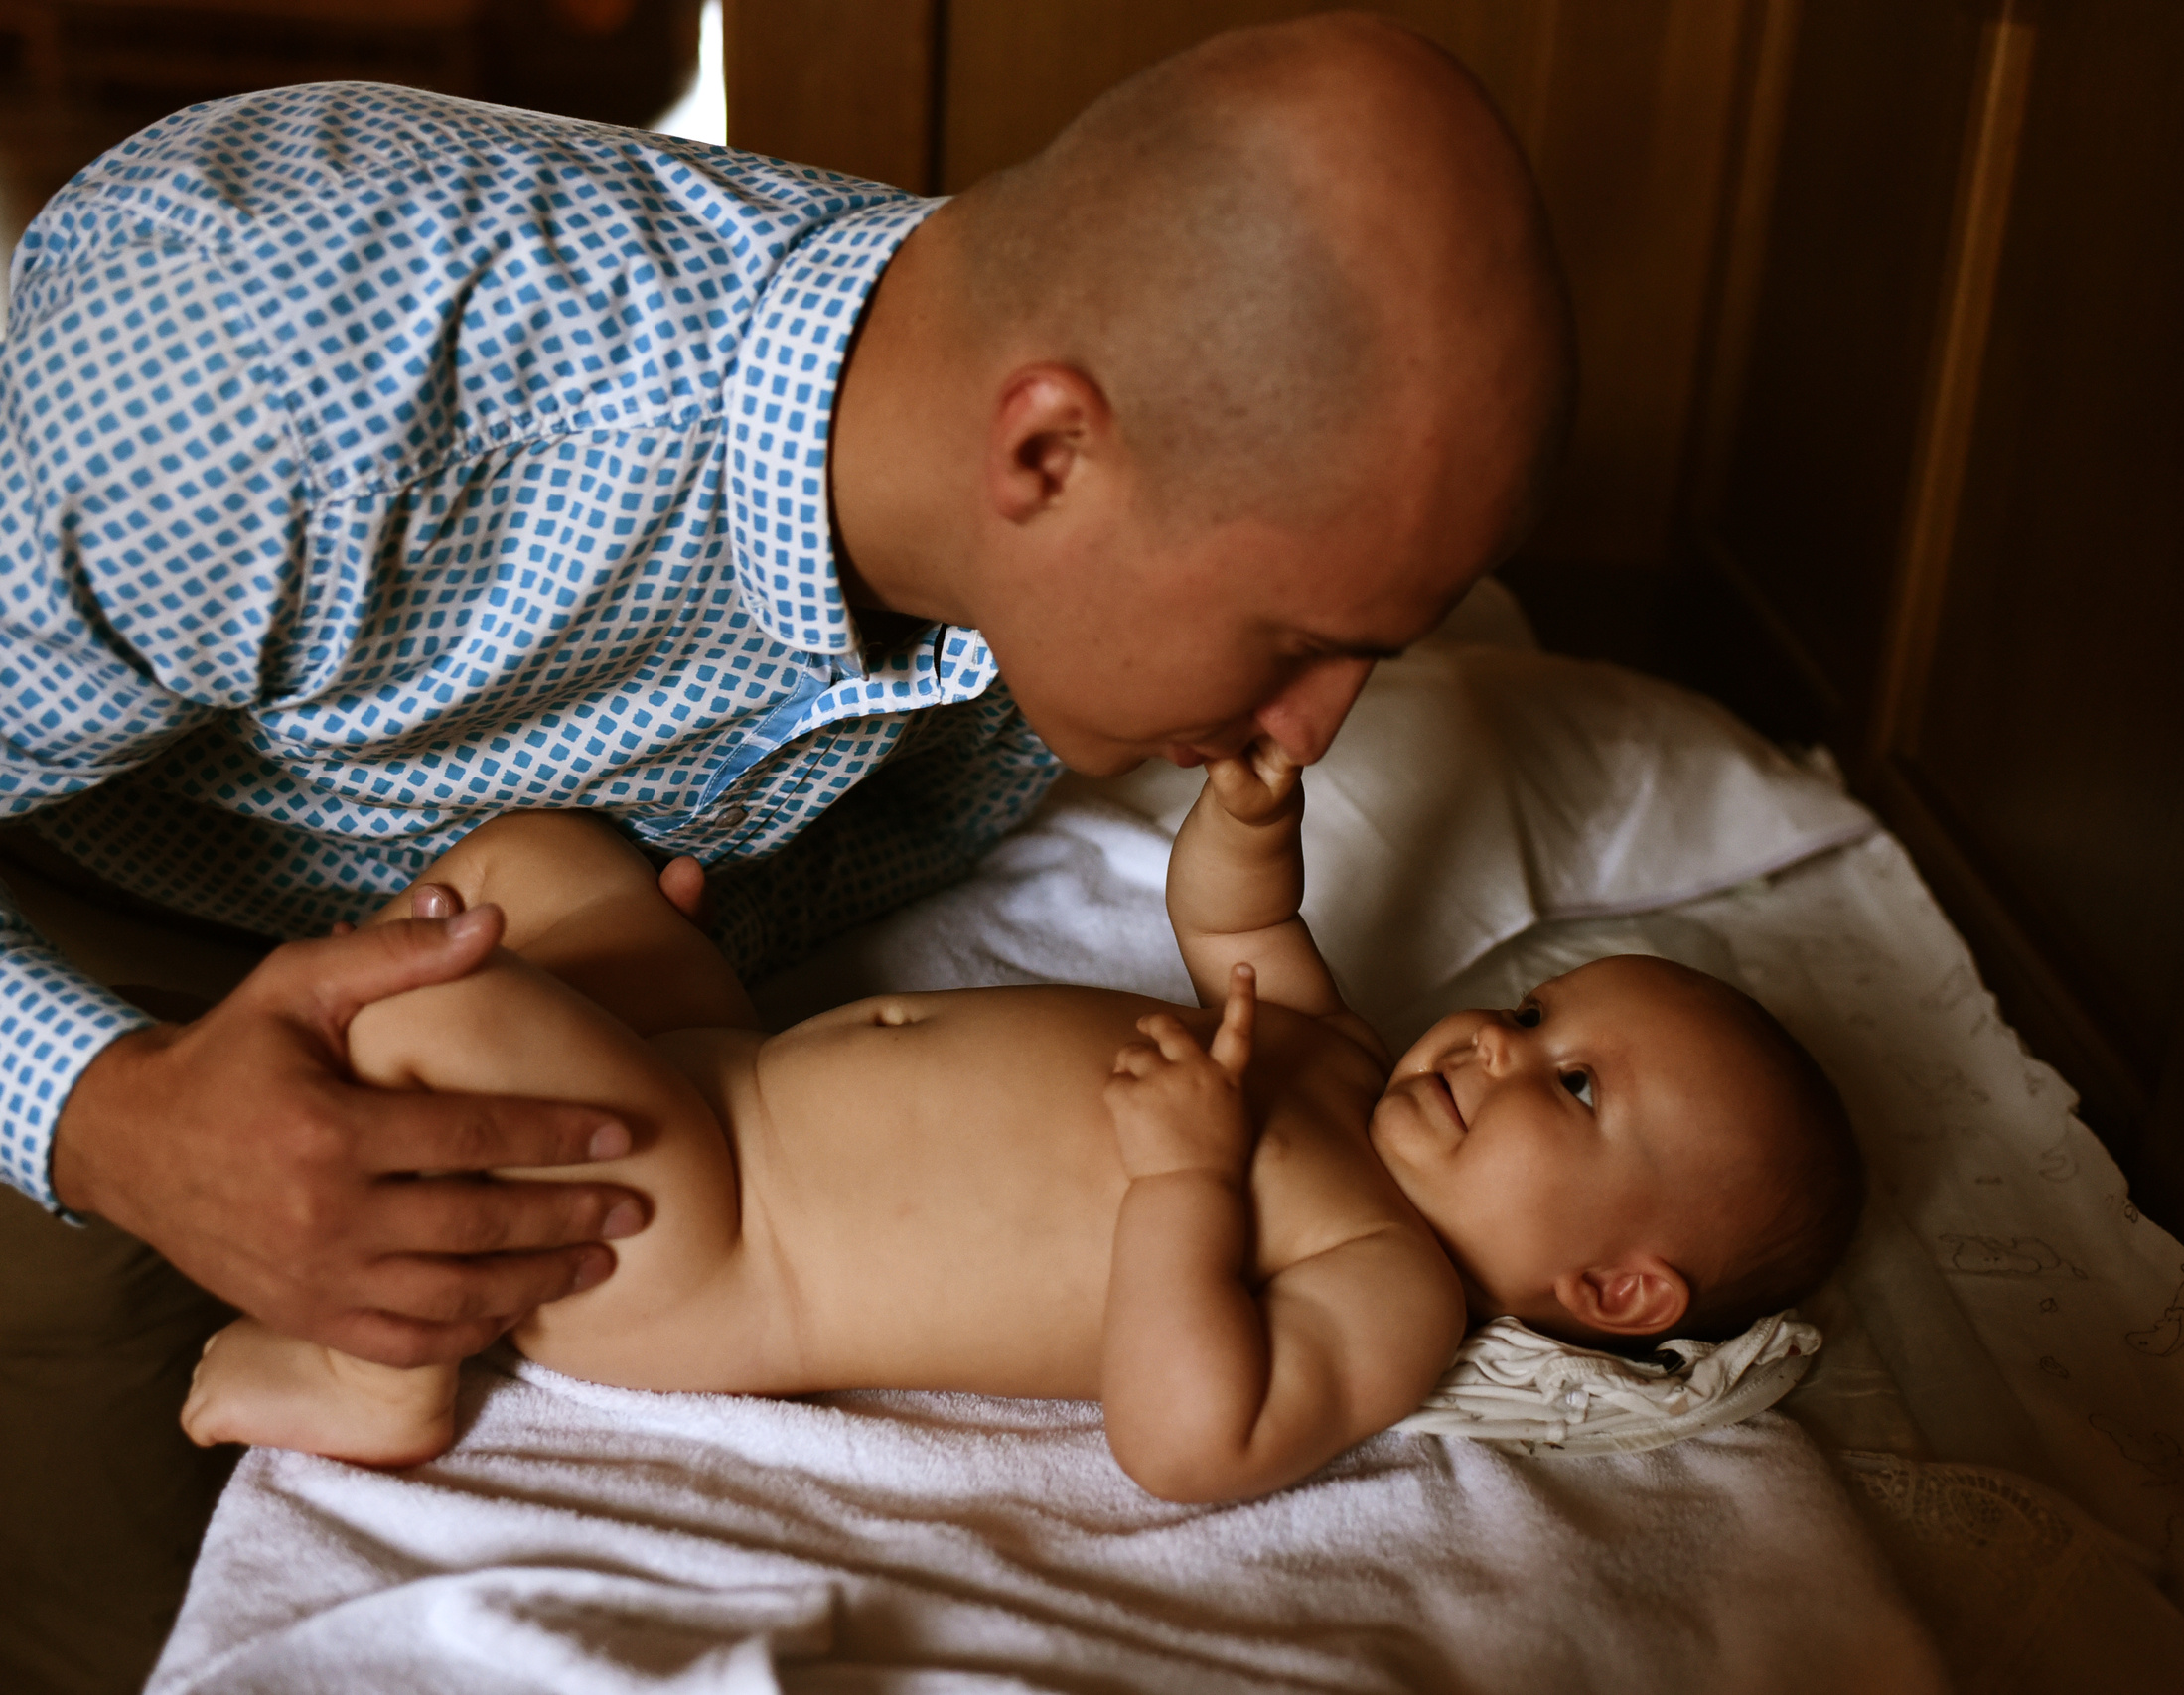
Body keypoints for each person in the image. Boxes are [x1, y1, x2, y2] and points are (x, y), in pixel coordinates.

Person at [0, 13, 1570, 1684]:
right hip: (84, 945)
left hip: (576, 995)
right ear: (1047, 452)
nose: (1313, 727)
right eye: (1299, 638)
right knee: (106, 1597)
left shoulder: (1038, 545)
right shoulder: (252, 355)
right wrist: (106, 1120)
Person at [182, 746, 1865, 1503]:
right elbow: (1237, 938)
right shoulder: (1343, 1061)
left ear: (1619, 1290)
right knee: (543, 863)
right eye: (1534, 1014)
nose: (1501, 1044)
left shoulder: (1389, 1282)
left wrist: (1188, 1184)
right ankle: (384, 1125)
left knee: (424, 1005)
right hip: (723, 1065)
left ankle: (381, 1364)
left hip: (707, 1236)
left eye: (1571, 1086)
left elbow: (1186, 1441)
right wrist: (1246, 823)